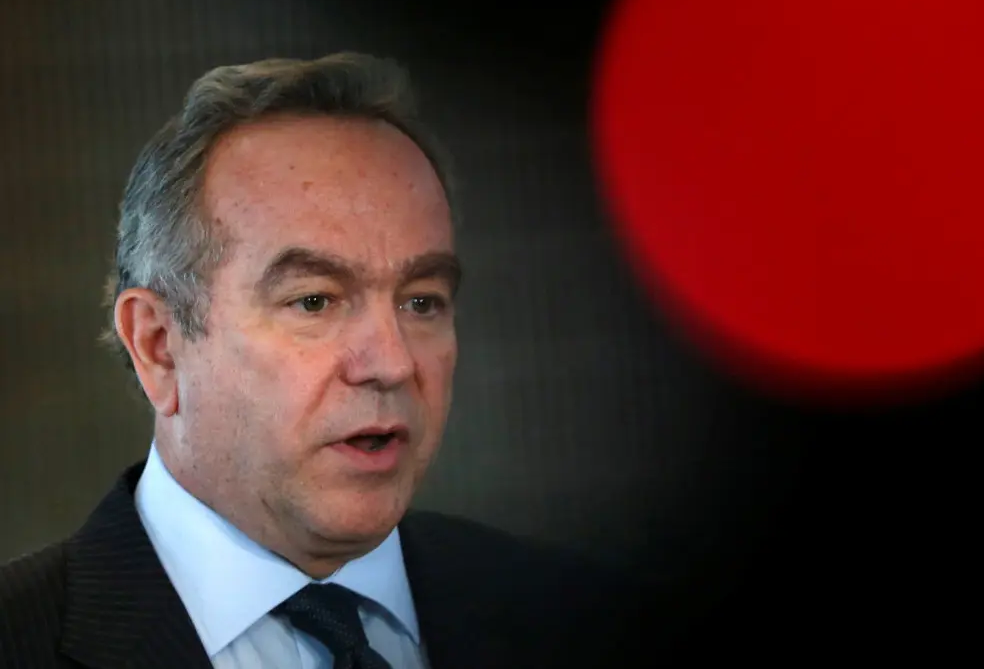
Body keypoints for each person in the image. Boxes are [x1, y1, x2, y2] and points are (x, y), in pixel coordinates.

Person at [0, 53, 650, 668]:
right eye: (314, 301)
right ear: (159, 346)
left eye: (422, 302)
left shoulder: (592, 623)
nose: (391, 364)